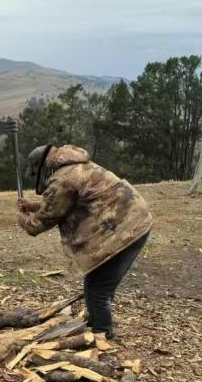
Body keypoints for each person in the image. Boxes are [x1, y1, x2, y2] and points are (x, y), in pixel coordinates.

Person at [16, 144, 153, 339]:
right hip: (130, 220)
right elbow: (71, 201)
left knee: (99, 288)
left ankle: (102, 335)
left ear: (43, 167)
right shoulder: (75, 166)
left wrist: (21, 218)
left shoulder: (63, 179)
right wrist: (33, 205)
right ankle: (95, 323)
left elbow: (38, 224)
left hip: (127, 229)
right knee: (95, 281)